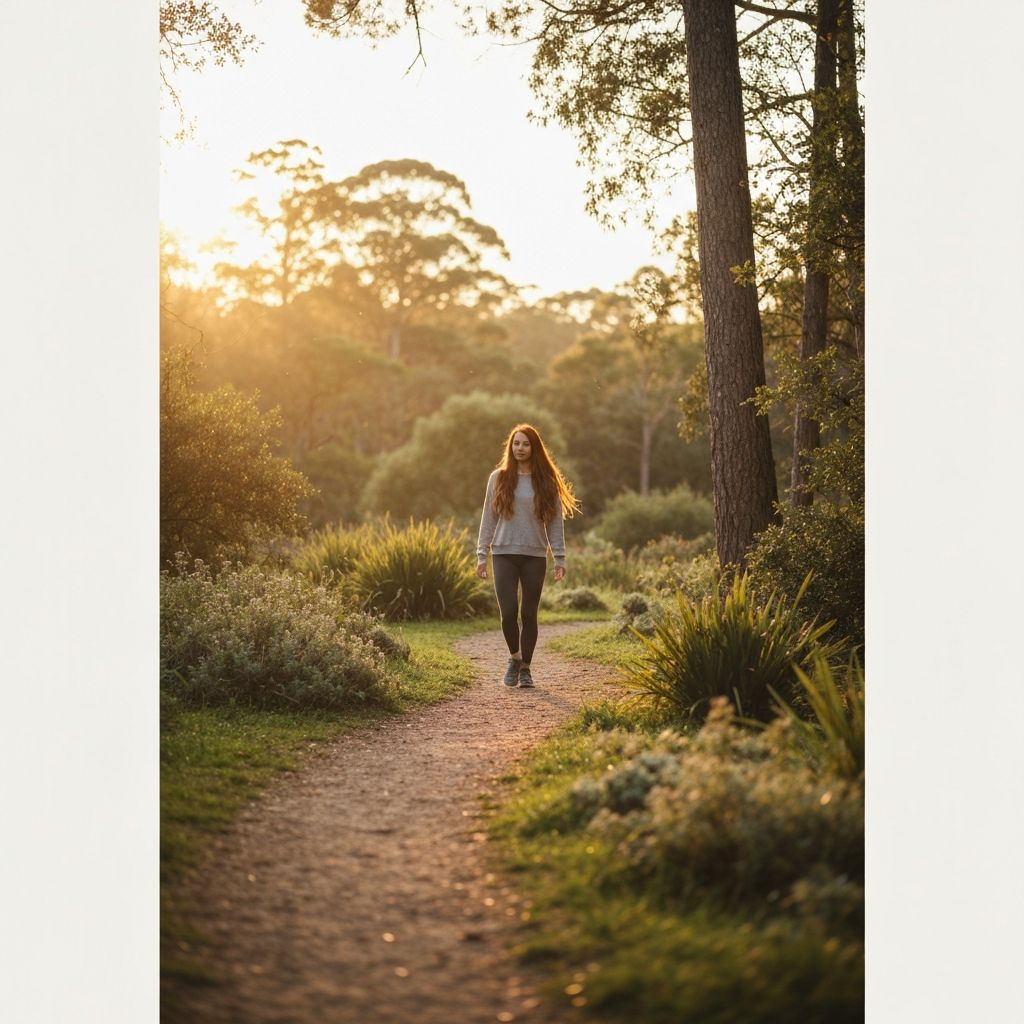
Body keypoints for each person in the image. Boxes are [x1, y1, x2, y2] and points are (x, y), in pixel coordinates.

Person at [476, 423, 580, 688]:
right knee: (508, 612)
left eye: (525, 444)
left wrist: (560, 557)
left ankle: (526, 670)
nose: (519, 448)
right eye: (516, 443)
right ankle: (514, 657)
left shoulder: (545, 481)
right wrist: (481, 553)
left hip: (534, 555)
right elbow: (488, 517)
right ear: (510, 447)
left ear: (534, 448)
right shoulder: (497, 478)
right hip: (503, 553)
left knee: (529, 614)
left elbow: (555, 522)